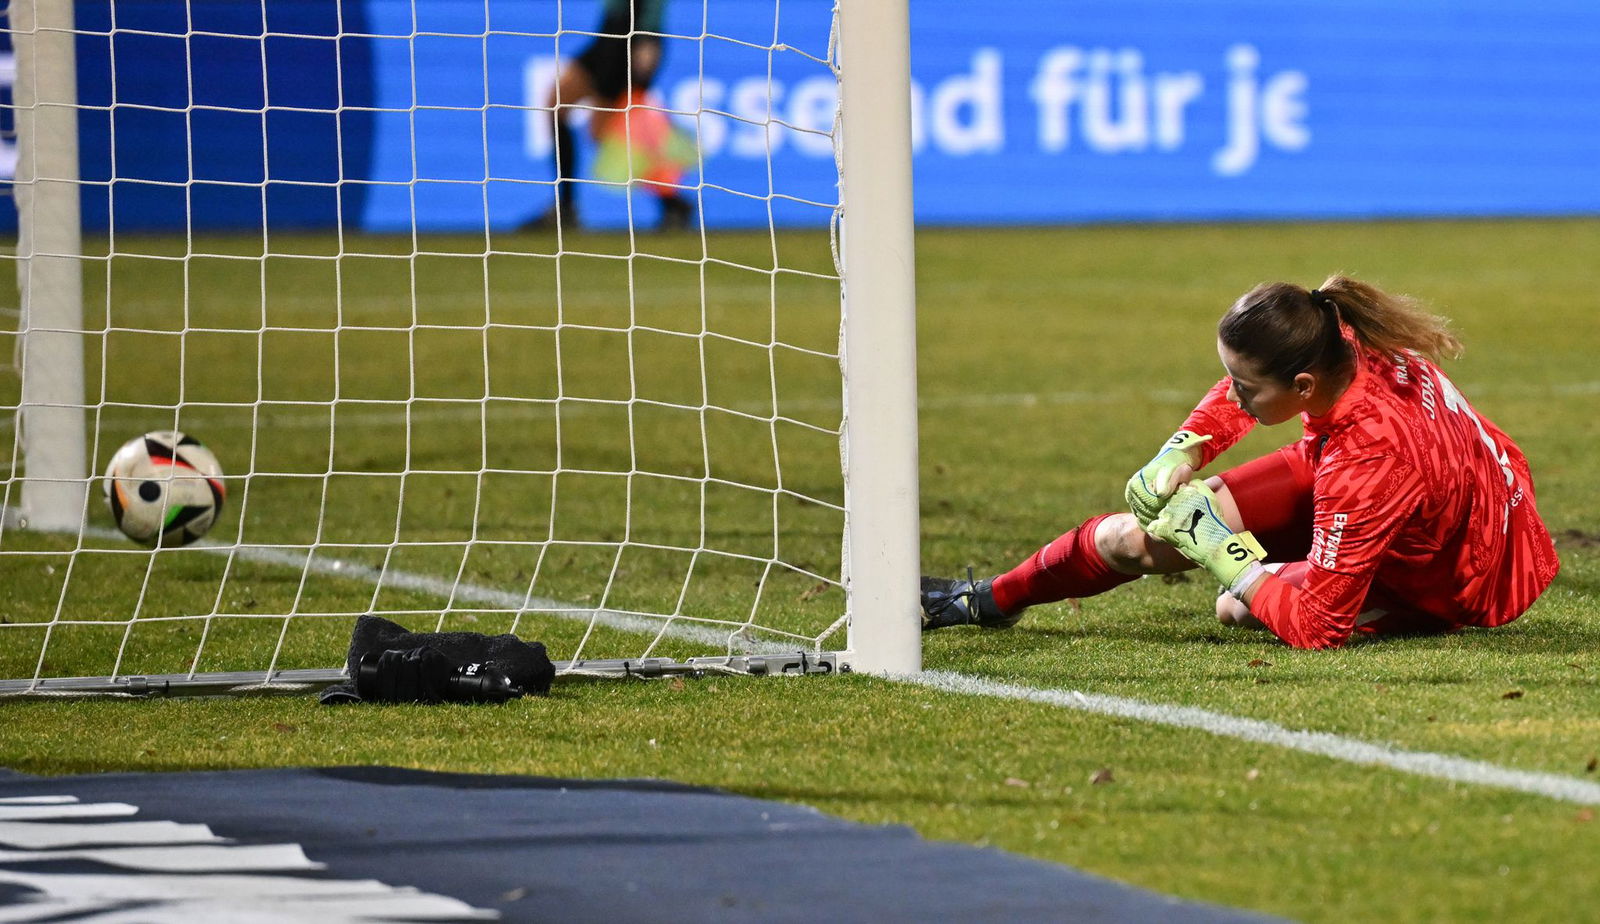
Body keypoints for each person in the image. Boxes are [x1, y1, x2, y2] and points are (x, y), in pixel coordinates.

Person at [921, 276, 1560, 650]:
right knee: (1133, 540)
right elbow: (1251, 392)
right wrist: (1185, 448)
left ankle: (1319, 574)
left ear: (1305, 386)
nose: (1234, 395)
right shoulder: (1338, 331)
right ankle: (988, 600)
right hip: (1422, 491)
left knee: (1239, 603)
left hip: (1465, 572)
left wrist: (1225, 550)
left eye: (1245, 387)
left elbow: (1320, 628)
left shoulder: (1369, 456)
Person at [527, 0, 694, 232]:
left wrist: (647, 37)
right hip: (608, 34)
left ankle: (674, 203)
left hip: (634, 37)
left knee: (606, 133)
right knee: (557, 106)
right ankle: (565, 207)